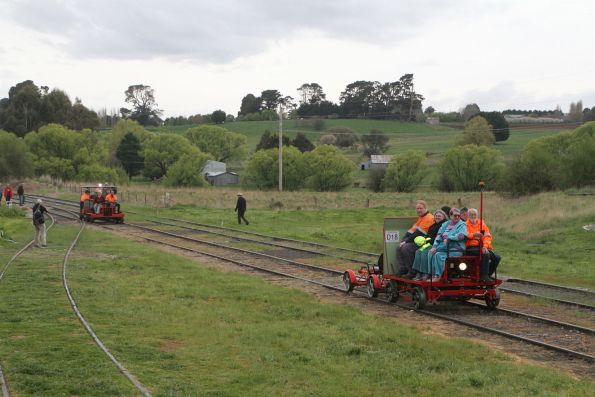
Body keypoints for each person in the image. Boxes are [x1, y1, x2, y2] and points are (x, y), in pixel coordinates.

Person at [426, 208, 468, 282]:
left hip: (455, 248)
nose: (457, 217)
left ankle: (438, 276)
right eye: (455, 215)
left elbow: (461, 236)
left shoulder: (462, 225)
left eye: (458, 216)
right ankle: (432, 275)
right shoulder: (445, 224)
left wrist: (449, 238)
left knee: (438, 255)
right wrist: (435, 246)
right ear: (450, 216)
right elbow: (438, 236)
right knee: (431, 252)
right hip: (444, 247)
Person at [396, 200, 434, 277]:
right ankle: (404, 268)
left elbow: (419, 233)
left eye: (421, 208)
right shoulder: (421, 218)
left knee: (406, 248)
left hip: (426, 243)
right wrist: (404, 239)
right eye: (417, 208)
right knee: (399, 247)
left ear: (426, 208)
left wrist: (406, 242)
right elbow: (411, 231)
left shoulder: (429, 218)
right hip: (418, 241)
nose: (419, 210)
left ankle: (412, 271)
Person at [465, 208, 501, 282]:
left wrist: (485, 246)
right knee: (485, 254)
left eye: (474, 214)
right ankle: (483, 275)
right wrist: (474, 235)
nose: (473, 216)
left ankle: (488, 274)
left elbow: (487, 236)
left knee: (497, 258)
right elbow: (464, 235)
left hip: (481, 247)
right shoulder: (464, 225)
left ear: (477, 215)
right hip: (469, 247)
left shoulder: (482, 224)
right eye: (471, 214)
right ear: (468, 216)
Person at [412, 209, 448, 280]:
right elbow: (428, 235)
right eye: (436, 216)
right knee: (418, 251)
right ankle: (419, 272)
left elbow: (439, 237)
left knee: (425, 252)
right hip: (429, 243)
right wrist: (423, 239)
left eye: (439, 216)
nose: (437, 217)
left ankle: (426, 273)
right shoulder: (432, 226)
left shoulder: (444, 225)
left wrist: (428, 240)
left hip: (437, 244)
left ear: (444, 217)